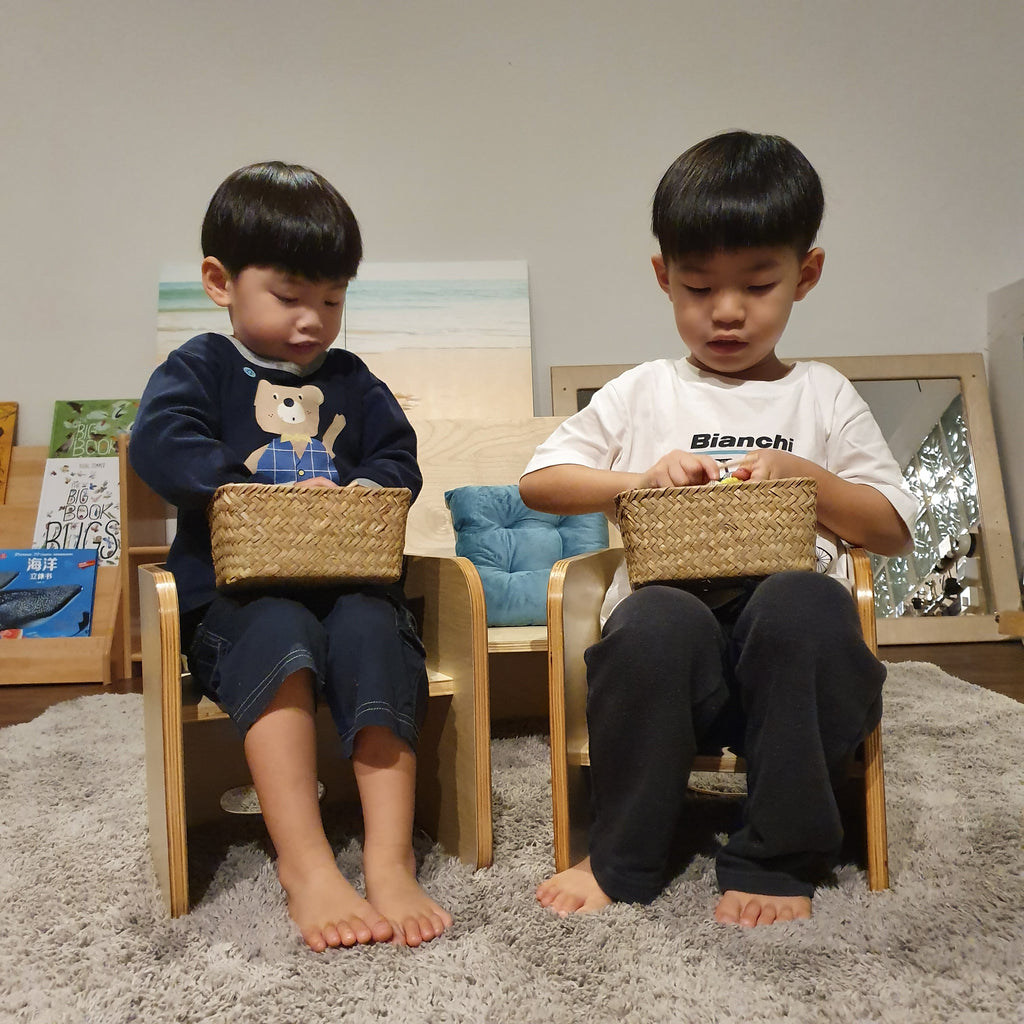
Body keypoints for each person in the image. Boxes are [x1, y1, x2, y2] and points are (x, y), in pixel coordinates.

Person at [520, 131, 918, 927]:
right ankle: (624, 850)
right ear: (664, 277)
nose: (727, 312)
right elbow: (541, 482)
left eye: (759, 284)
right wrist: (638, 480)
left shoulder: (823, 394)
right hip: (677, 672)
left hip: (796, 675)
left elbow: (893, 529)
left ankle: (778, 855)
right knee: (653, 620)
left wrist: (807, 478)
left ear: (806, 276)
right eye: (699, 287)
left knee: (800, 602)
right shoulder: (645, 390)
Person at [130, 161, 452, 951]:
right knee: (279, 635)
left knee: (376, 629)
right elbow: (159, 441)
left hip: (349, 584)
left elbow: (397, 459)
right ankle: (305, 864)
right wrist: (241, 487)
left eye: (332, 300)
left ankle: (388, 856)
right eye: (289, 297)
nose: (313, 320)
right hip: (232, 602)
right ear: (220, 281)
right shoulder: (200, 367)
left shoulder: (350, 379)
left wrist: (365, 488)